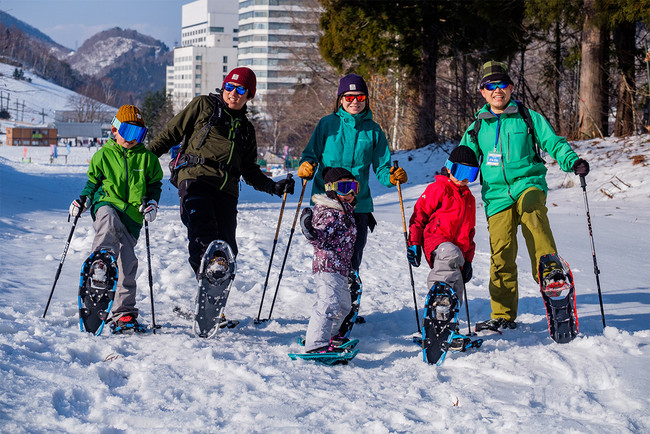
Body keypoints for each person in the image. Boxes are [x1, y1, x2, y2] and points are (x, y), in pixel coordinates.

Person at [459, 61, 590, 331]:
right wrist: (449, 178)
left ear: (511, 87)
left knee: (533, 214)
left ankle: (551, 274)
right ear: (483, 92)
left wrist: (571, 161)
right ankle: (503, 314)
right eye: (490, 86)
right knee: (501, 252)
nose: (497, 90)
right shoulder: (476, 127)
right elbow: (462, 158)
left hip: (527, 183)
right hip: (495, 195)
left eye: (502, 84)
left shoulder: (527, 117)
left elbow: (553, 142)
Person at [147, 67, 295, 275]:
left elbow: (250, 169)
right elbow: (170, 134)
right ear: (223, 87)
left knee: (227, 248)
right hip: (195, 178)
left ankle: (213, 294)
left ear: (249, 95)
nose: (233, 93)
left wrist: (273, 186)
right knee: (202, 232)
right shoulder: (203, 105)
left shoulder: (246, 129)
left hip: (227, 190)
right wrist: (143, 163)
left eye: (240, 90)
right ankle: (210, 271)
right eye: (229, 86)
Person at [297, 73, 408, 326]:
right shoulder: (327, 125)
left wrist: (393, 177)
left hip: (358, 206)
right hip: (328, 204)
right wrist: (306, 165)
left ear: (366, 100)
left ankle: (348, 308)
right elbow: (310, 154)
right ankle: (328, 306)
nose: (354, 101)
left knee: (352, 259)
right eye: (349, 97)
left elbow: (382, 168)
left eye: (360, 97)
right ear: (340, 99)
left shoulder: (374, 131)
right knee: (329, 258)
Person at [69, 105, 163, 333]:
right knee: (108, 222)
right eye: (128, 132)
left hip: (133, 216)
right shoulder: (103, 155)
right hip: (107, 203)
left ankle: (124, 313)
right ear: (115, 130)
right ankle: (100, 264)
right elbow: (92, 184)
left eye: (138, 134)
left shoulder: (148, 159)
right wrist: (84, 200)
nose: (133, 139)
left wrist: (152, 203)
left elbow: (154, 186)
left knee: (128, 264)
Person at [406, 146, 478, 308]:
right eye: (461, 172)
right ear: (449, 168)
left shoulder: (469, 199)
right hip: (437, 241)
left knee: (457, 285)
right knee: (449, 255)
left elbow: (470, 232)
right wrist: (414, 243)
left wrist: (468, 261)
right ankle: (439, 302)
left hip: (458, 251)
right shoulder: (439, 188)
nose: (465, 178)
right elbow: (419, 216)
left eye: (471, 173)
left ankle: (448, 322)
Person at [299, 167, 358, 353]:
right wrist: (311, 231)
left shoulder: (344, 210)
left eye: (353, 187)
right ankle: (316, 343)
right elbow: (320, 235)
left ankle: (329, 336)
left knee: (344, 305)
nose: (349, 193)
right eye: (344, 187)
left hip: (340, 268)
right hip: (327, 267)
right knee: (328, 304)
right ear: (331, 189)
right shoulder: (329, 211)